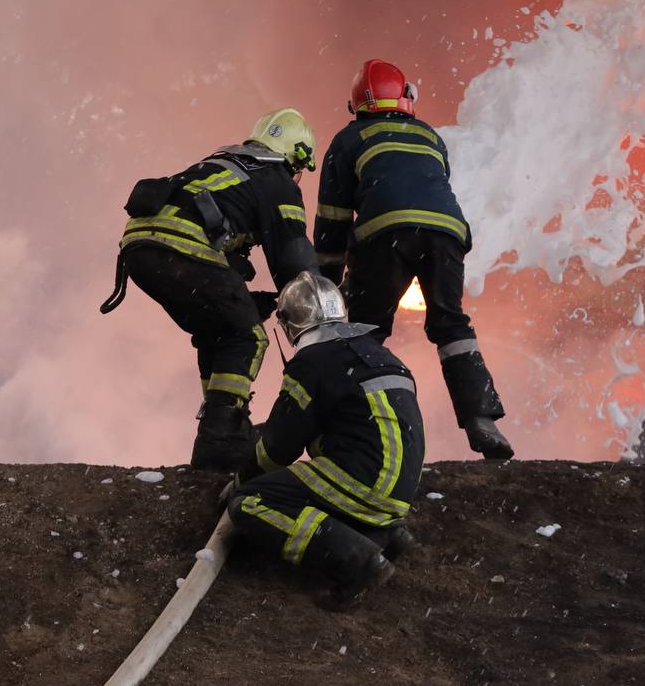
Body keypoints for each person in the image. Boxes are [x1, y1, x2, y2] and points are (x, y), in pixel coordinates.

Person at [313, 58, 514, 460]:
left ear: (356, 107)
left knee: (364, 332)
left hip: (385, 236)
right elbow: (430, 191)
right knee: (450, 322)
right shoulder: (428, 135)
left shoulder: (349, 140)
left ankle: (350, 429)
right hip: (448, 235)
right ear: (406, 96)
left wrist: (327, 286)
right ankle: (481, 419)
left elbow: (332, 221)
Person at [100, 108, 319, 471]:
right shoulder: (276, 180)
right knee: (247, 337)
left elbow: (220, 261)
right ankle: (221, 437)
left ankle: (220, 429)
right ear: (297, 156)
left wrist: (254, 301)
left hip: (140, 249)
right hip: (180, 247)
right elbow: (294, 261)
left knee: (217, 332)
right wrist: (317, 310)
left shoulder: (224, 164)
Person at [226, 271, 422, 609]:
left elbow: (279, 447)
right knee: (317, 485)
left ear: (289, 325)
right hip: (399, 489)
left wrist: (240, 480)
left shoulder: (313, 362)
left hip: (363, 479)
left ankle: (359, 564)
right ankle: (386, 533)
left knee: (251, 502)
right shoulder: (377, 353)